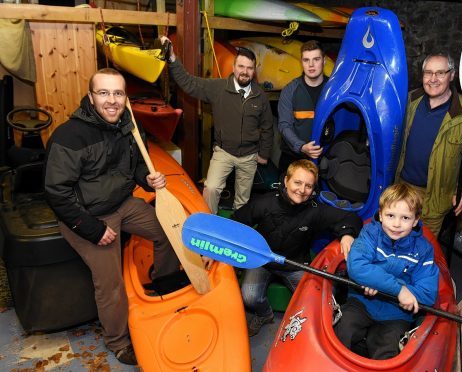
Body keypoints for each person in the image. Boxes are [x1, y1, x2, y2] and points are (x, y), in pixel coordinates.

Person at [44, 68, 182, 366]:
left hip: (122, 203)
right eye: (104, 93)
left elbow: (137, 167)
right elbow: (57, 194)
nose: (112, 100)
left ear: (125, 98)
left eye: (118, 93)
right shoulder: (69, 137)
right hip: (86, 215)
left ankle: (164, 282)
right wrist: (93, 230)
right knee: (111, 283)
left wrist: (149, 179)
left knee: (170, 231)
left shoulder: (129, 126)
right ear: (91, 97)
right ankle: (118, 342)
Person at [233, 159, 362, 336]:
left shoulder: (316, 210)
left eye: (308, 186)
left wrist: (347, 234)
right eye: (297, 182)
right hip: (263, 261)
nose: (302, 190)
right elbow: (235, 222)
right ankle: (265, 314)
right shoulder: (264, 202)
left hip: (295, 264)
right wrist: (214, 250)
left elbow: (351, 218)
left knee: (318, 301)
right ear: (286, 181)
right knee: (249, 296)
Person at [162, 36, 274, 214]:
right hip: (223, 152)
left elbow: (268, 126)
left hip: (249, 156)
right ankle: (209, 223)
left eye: (249, 68)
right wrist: (173, 59)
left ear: (254, 71)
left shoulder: (260, 96)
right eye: (241, 66)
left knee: (243, 200)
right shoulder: (218, 88)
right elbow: (188, 83)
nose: (244, 71)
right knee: (211, 188)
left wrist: (264, 154)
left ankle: (237, 227)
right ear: (233, 67)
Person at [334, 183, 439, 359]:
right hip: (362, 302)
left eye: (405, 218)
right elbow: (357, 268)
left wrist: (381, 284)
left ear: (415, 221)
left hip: (397, 314)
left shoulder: (424, 250)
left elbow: (428, 293)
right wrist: (399, 289)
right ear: (381, 215)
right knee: (342, 330)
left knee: (388, 352)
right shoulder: (370, 233)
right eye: (391, 215)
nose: (397, 224)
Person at [394, 52, 462, 237]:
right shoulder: (410, 101)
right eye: (428, 73)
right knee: (393, 241)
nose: (433, 79)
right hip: (401, 188)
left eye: (440, 73)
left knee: (422, 250)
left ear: (452, 75)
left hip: (434, 197)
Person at [277, 40, 328, 173]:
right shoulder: (290, 90)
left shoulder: (334, 90)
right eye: (306, 60)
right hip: (294, 158)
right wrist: (301, 146)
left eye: (316, 59)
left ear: (324, 61)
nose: (311, 65)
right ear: (302, 63)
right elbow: (284, 125)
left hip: (327, 159)